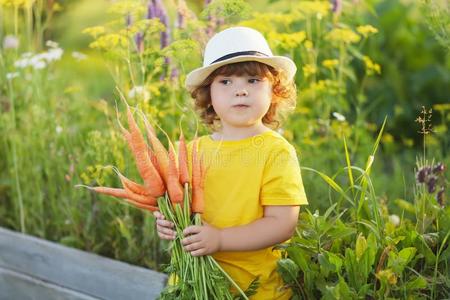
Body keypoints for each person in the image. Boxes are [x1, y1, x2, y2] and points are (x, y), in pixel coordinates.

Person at [154, 26, 308, 299]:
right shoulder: (192, 151)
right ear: (208, 96)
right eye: (226, 82)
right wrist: (168, 222)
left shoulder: (276, 152)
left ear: (274, 91)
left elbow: (282, 224)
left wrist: (220, 239)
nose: (240, 91)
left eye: (252, 81)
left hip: (254, 289)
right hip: (193, 286)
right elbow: (181, 209)